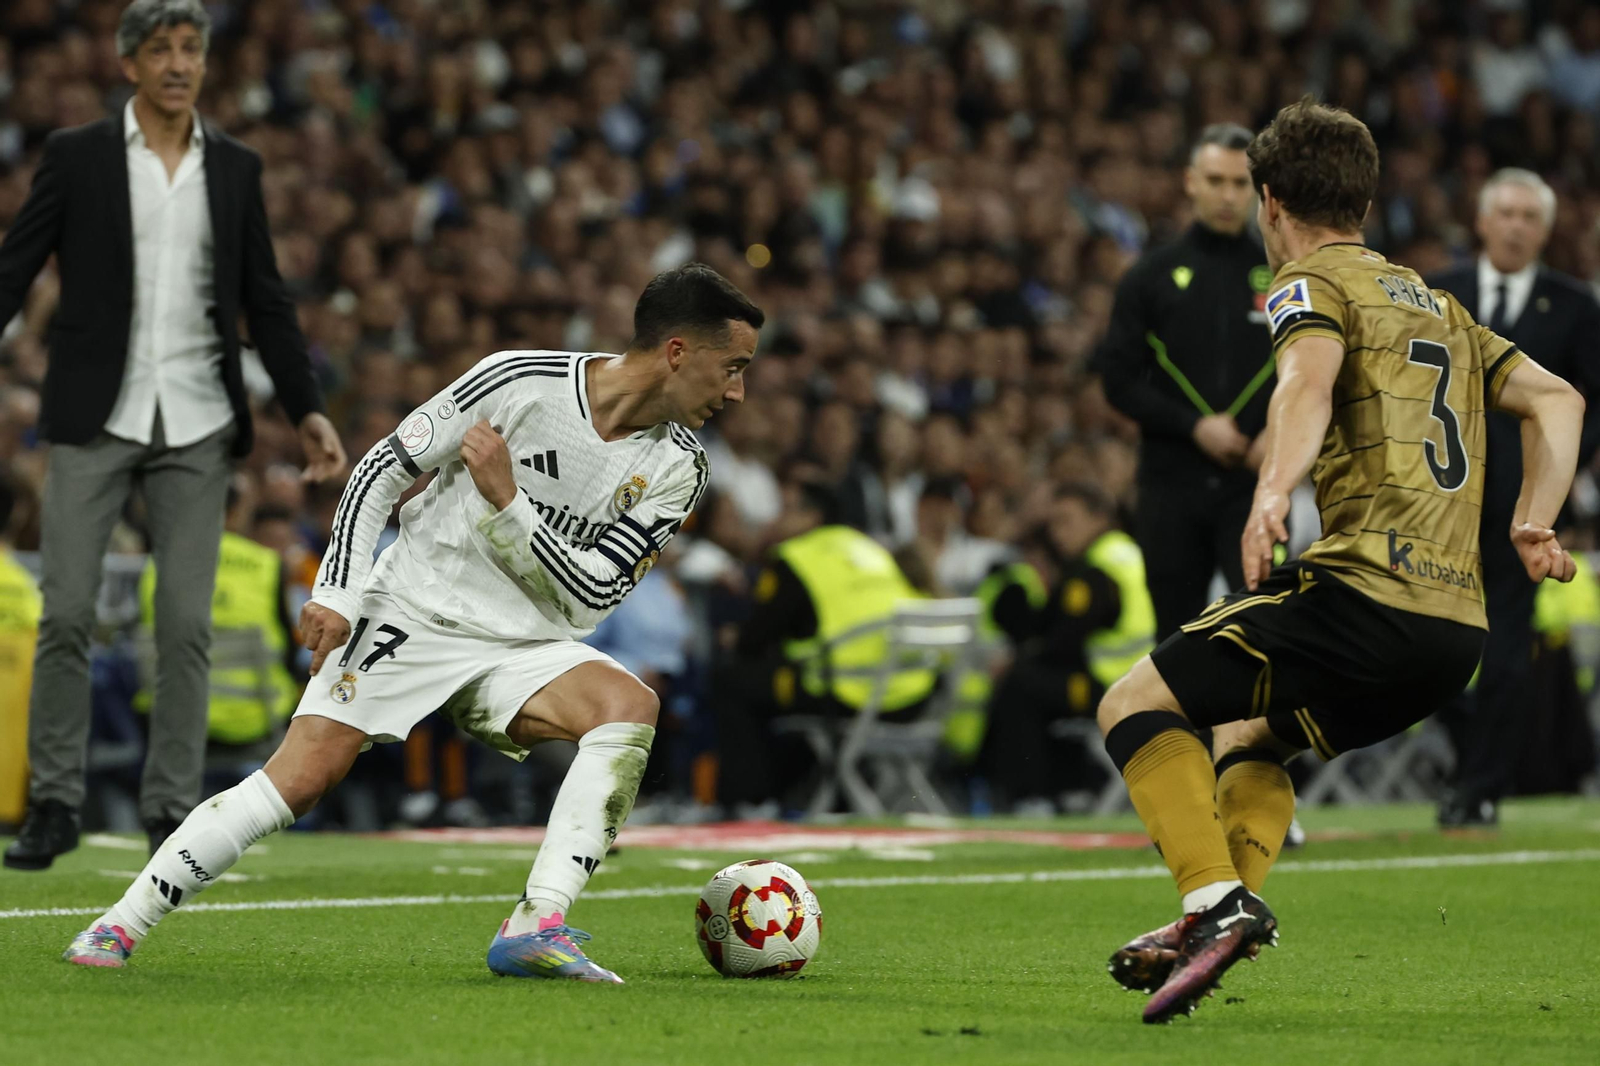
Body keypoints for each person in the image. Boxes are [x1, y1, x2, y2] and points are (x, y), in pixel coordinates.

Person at [60, 263, 762, 984]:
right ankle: (119, 924)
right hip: (413, 609)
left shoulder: (681, 466)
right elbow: (381, 470)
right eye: (731, 368)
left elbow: (590, 598)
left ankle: (537, 923)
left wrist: (510, 505)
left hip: (524, 641)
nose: (737, 392)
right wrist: (337, 588)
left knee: (627, 706)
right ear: (678, 351)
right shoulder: (521, 380)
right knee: (300, 780)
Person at [1093, 99, 1584, 1024]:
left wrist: (1272, 491)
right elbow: (1558, 399)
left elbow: (1304, 382)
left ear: (1270, 203)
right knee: (1250, 735)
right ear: (1366, 198)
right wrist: (1533, 520)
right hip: (1454, 631)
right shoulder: (1440, 304)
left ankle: (1212, 903)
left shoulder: (1310, 284)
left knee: (1133, 703)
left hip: (1363, 595)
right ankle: (1213, 913)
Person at [0, 0, 346, 870]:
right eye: (162, 49)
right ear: (130, 64)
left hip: (198, 413)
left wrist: (303, 406)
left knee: (187, 621)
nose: (180, 63)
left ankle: (169, 814)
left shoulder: (234, 166)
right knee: (68, 612)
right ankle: (53, 803)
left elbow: (264, 297)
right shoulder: (77, 156)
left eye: (191, 49)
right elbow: (18, 260)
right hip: (96, 411)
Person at [1424, 169, 1600, 828]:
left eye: (1531, 216)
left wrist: (1555, 472)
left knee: (1504, 653)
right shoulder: (1442, 294)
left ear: (1546, 230)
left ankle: (1481, 788)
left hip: (1524, 508)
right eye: (1507, 213)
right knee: (1423, 642)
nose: (1518, 225)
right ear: (1482, 222)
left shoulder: (1575, 303)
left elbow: (1590, 403)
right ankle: (1476, 761)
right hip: (1441, 501)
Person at [1097, 124, 1277, 639]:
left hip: (1255, 485)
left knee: (1262, 630)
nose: (1227, 196)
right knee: (1175, 638)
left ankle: (1246, 727)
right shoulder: (1149, 277)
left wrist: (1276, 435)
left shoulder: (1284, 275)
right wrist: (1193, 427)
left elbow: (1309, 370)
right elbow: (1118, 380)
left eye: (1240, 184)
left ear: (1258, 189)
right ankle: (1178, 726)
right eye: (1215, 180)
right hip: (1170, 484)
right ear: (1190, 182)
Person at [713, 483, 935, 811]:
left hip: (847, 697)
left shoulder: (798, 558)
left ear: (812, 516)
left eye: (787, 509)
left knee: (731, 679)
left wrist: (737, 636)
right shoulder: (872, 549)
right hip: (910, 696)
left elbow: (755, 639)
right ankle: (818, 799)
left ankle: (749, 803)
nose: (777, 519)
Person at [976, 483, 1155, 812]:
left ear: (1099, 519)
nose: (1058, 533)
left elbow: (1064, 639)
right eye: (1054, 523)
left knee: (1022, 685)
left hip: (1110, 688)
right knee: (1043, 684)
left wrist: (1021, 656)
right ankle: (1074, 789)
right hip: (1141, 681)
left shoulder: (1094, 571)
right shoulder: (1128, 551)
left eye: (1066, 521)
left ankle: (1030, 799)